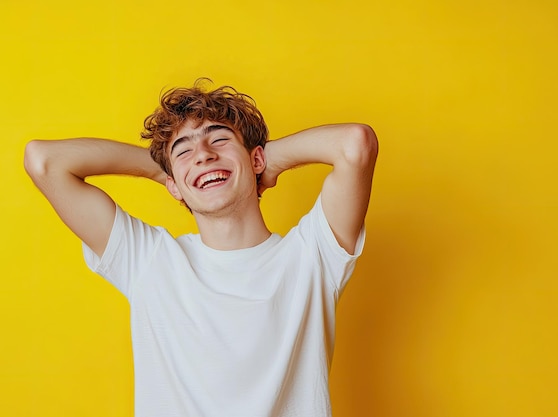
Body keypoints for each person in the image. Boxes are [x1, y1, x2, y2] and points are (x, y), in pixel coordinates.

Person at [24, 79, 378, 417]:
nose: (203, 155)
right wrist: (163, 168)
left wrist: (262, 161)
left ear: (257, 160)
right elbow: (44, 161)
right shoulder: (149, 260)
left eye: (219, 140)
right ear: (173, 187)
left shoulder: (311, 256)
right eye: (185, 150)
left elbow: (355, 144)